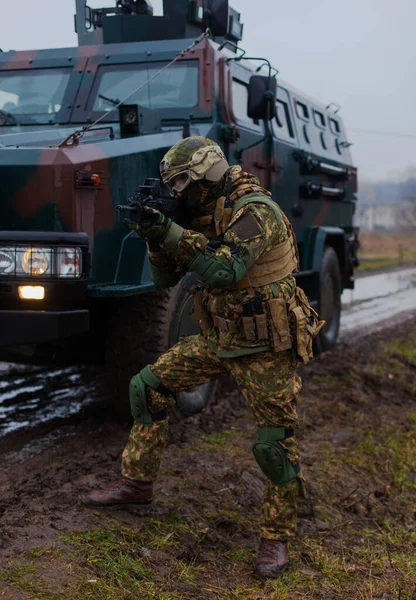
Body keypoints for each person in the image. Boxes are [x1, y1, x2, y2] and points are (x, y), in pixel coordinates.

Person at [82, 136, 324, 577]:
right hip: (220, 336)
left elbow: (223, 269)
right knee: (147, 386)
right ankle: (137, 485)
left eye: (181, 183)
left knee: (274, 444)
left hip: (265, 346)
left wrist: (172, 232)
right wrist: (157, 236)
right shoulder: (200, 209)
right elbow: (163, 278)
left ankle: (275, 538)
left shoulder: (256, 211)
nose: (177, 192)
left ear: (207, 175)